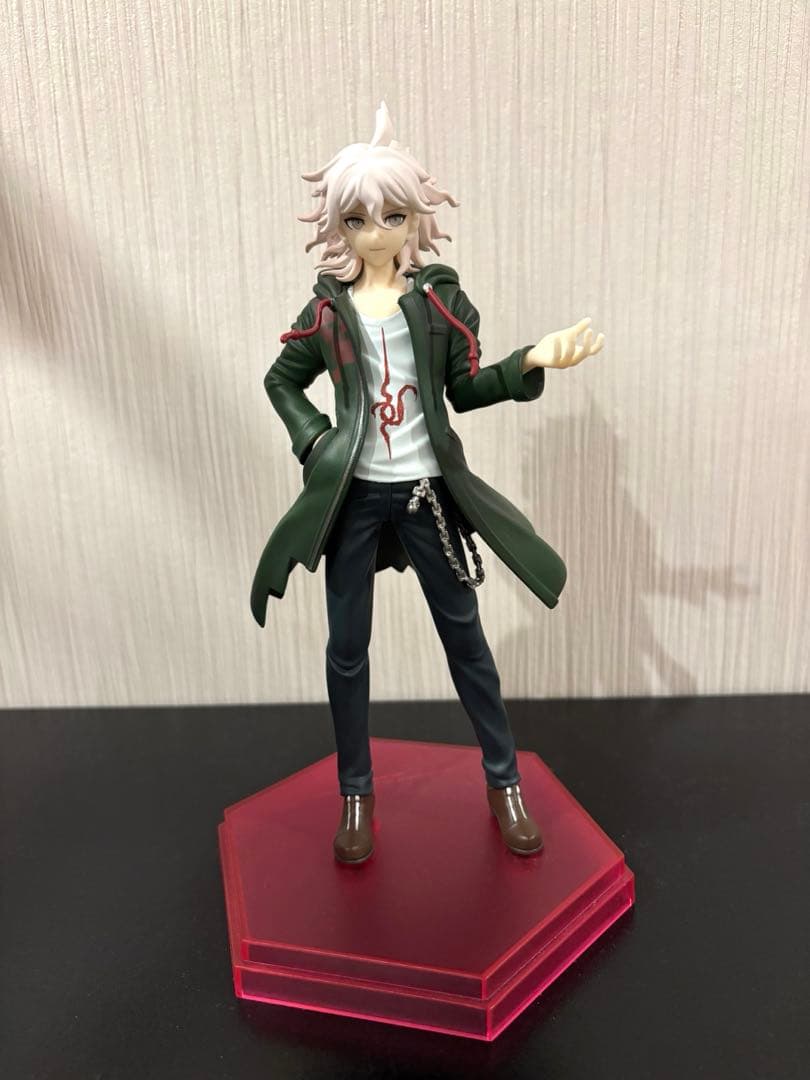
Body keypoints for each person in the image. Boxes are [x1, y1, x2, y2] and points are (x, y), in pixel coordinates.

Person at [251, 101, 604, 863]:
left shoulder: (440, 302)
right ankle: (355, 793)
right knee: (347, 649)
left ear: (415, 219)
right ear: (339, 227)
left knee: (464, 640)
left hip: (425, 495)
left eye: (393, 216)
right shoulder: (327, 312)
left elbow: (464, 390)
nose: (376, 233)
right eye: (358, 220)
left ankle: (504, 782)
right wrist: (316, 441)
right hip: (352, 499)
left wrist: (528, 362)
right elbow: (281, 380)